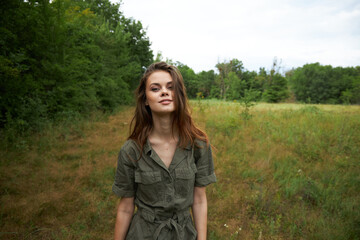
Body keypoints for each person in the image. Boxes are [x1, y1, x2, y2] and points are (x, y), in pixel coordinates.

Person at [112, 62, 216, 240]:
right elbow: (125, 206)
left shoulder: (199, 145)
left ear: (179, 94)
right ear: (145, 99)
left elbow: (199, 200)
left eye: (171, 87)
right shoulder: (131, 150)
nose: (164, 92)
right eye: (155, 88)